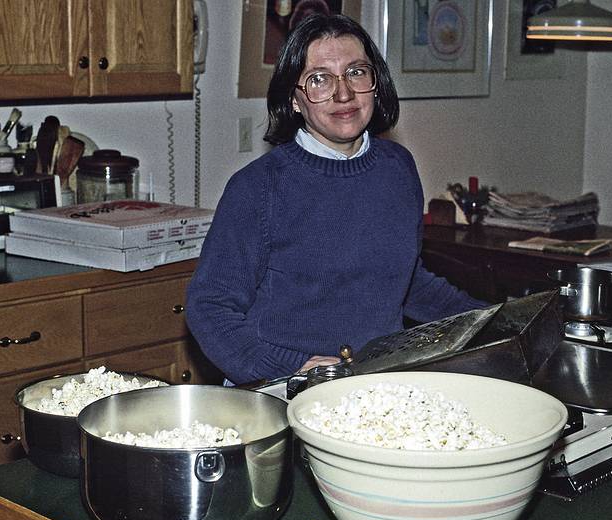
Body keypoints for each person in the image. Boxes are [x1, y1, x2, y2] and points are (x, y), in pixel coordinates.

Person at [185, 14, 487, 385]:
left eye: (356, 72)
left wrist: (491, 318)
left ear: (376, 84)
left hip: (377, 380)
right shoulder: (258, 187)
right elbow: (209, 308)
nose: (343, 93)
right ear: (294, 100)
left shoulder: (397, 168)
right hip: (279, 387)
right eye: (319, 79)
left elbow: (402, 281)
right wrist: (293, 367)